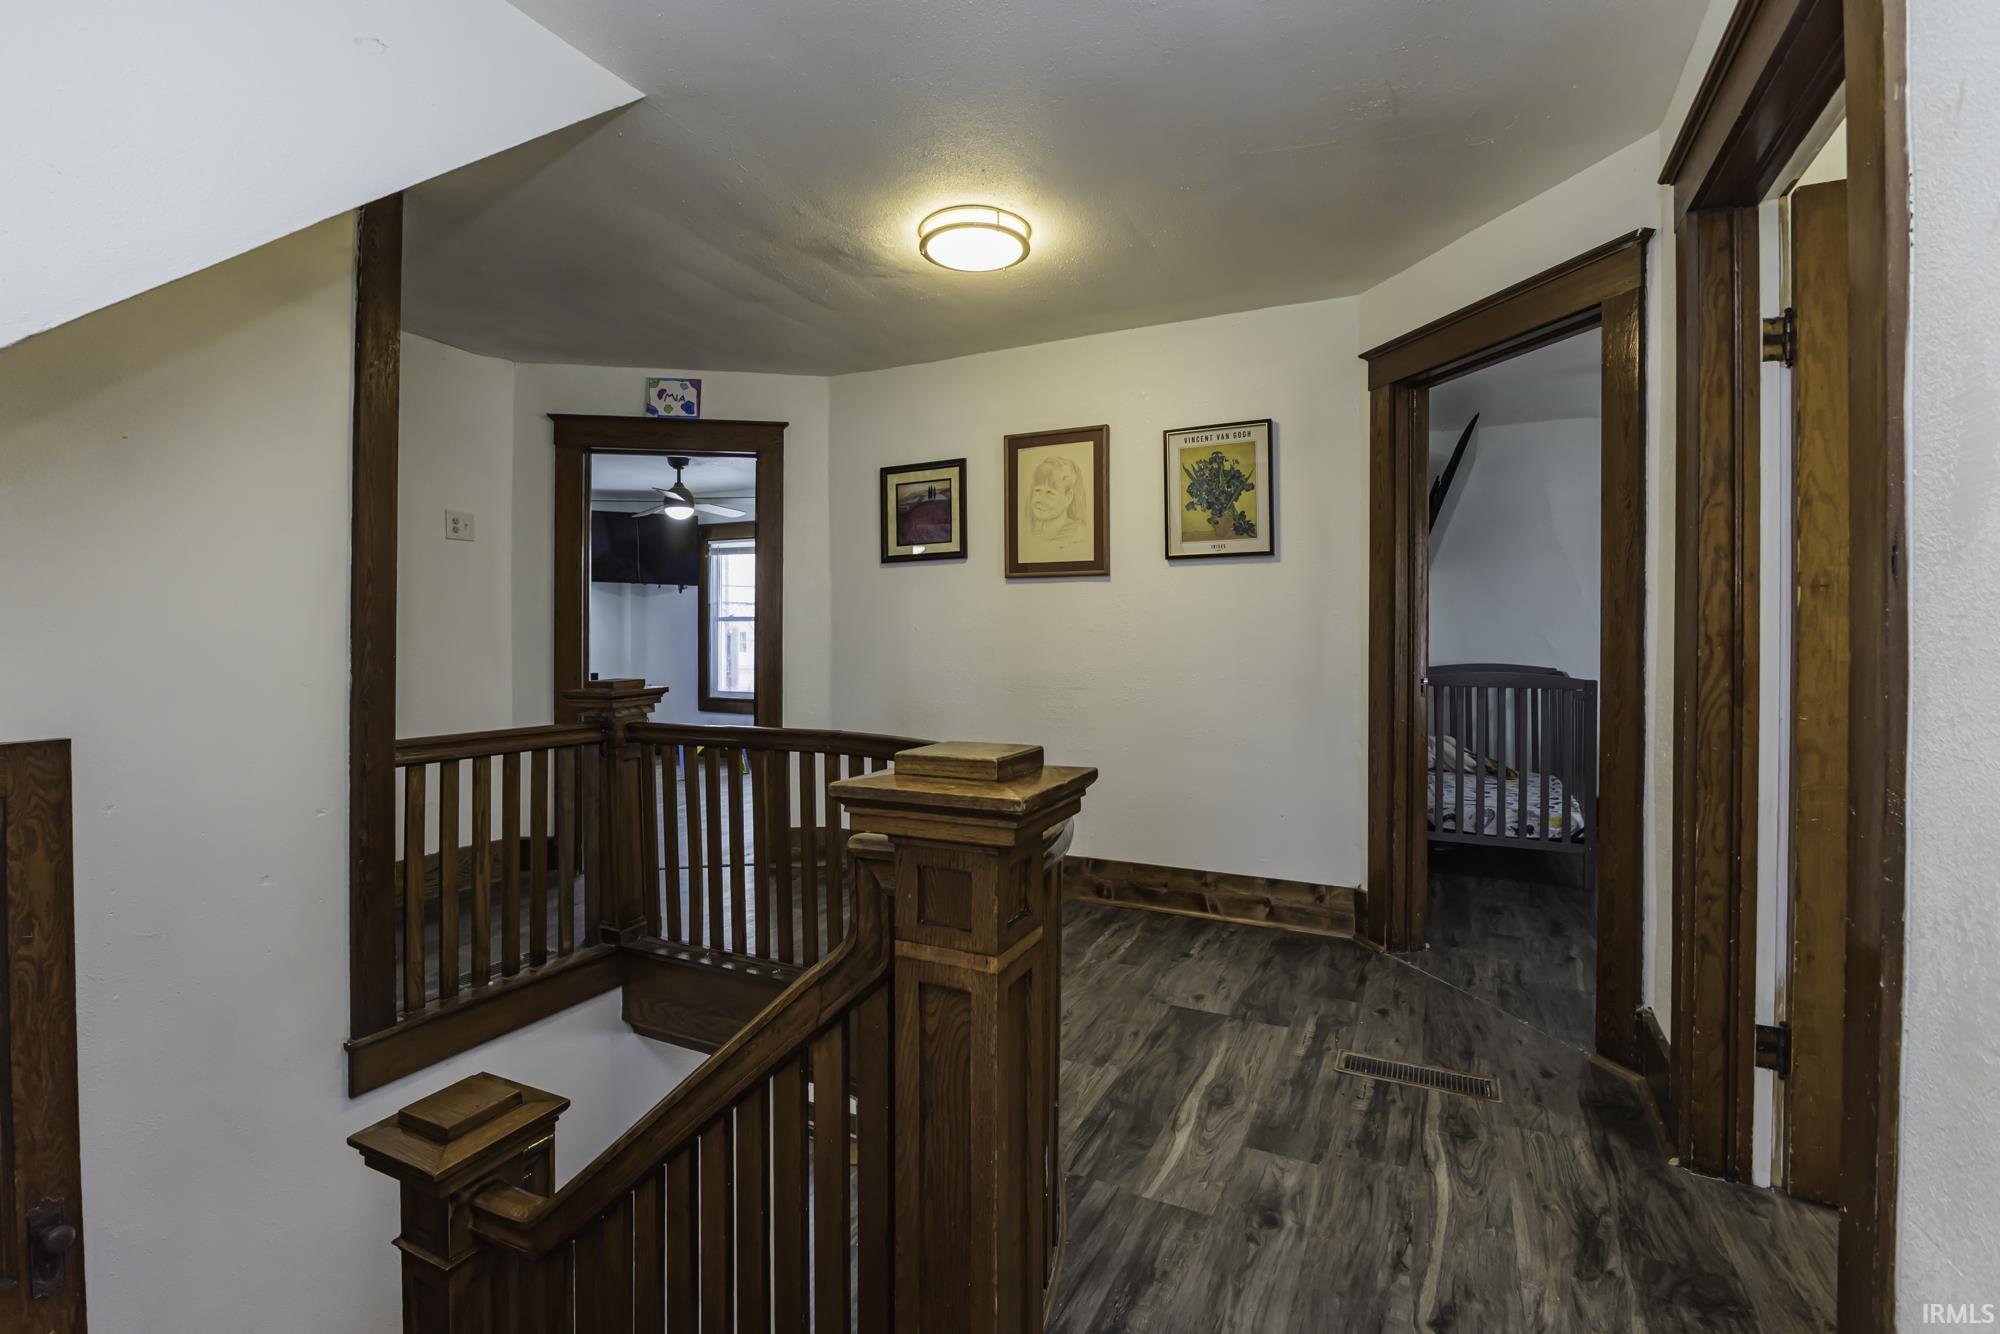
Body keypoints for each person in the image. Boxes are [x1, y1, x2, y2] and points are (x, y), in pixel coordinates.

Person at [1028, 453, 1088, 549]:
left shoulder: (1078, 534)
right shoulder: (1033, 533)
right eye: (1037, 490)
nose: (1040, 499)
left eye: (1049, 493)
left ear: (1068, 498)